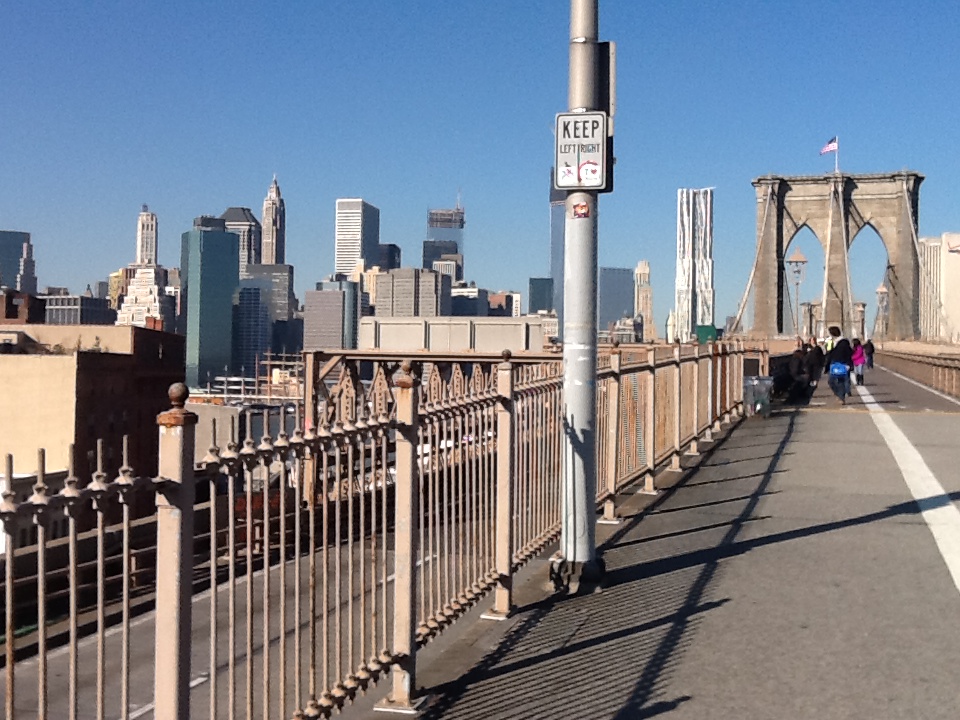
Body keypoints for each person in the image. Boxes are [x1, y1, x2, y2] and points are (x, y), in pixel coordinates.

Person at [823, 325, 853, 404]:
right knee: (831, 381)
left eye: (829, 333)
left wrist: (848, 364)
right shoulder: (832, 342)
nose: (828, 334)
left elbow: (848, 353)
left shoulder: (844, 342)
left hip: (842, 363)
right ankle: (839, 395)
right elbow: (829, 354)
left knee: (840, 381)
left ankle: (841, 398)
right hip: (833, 363)